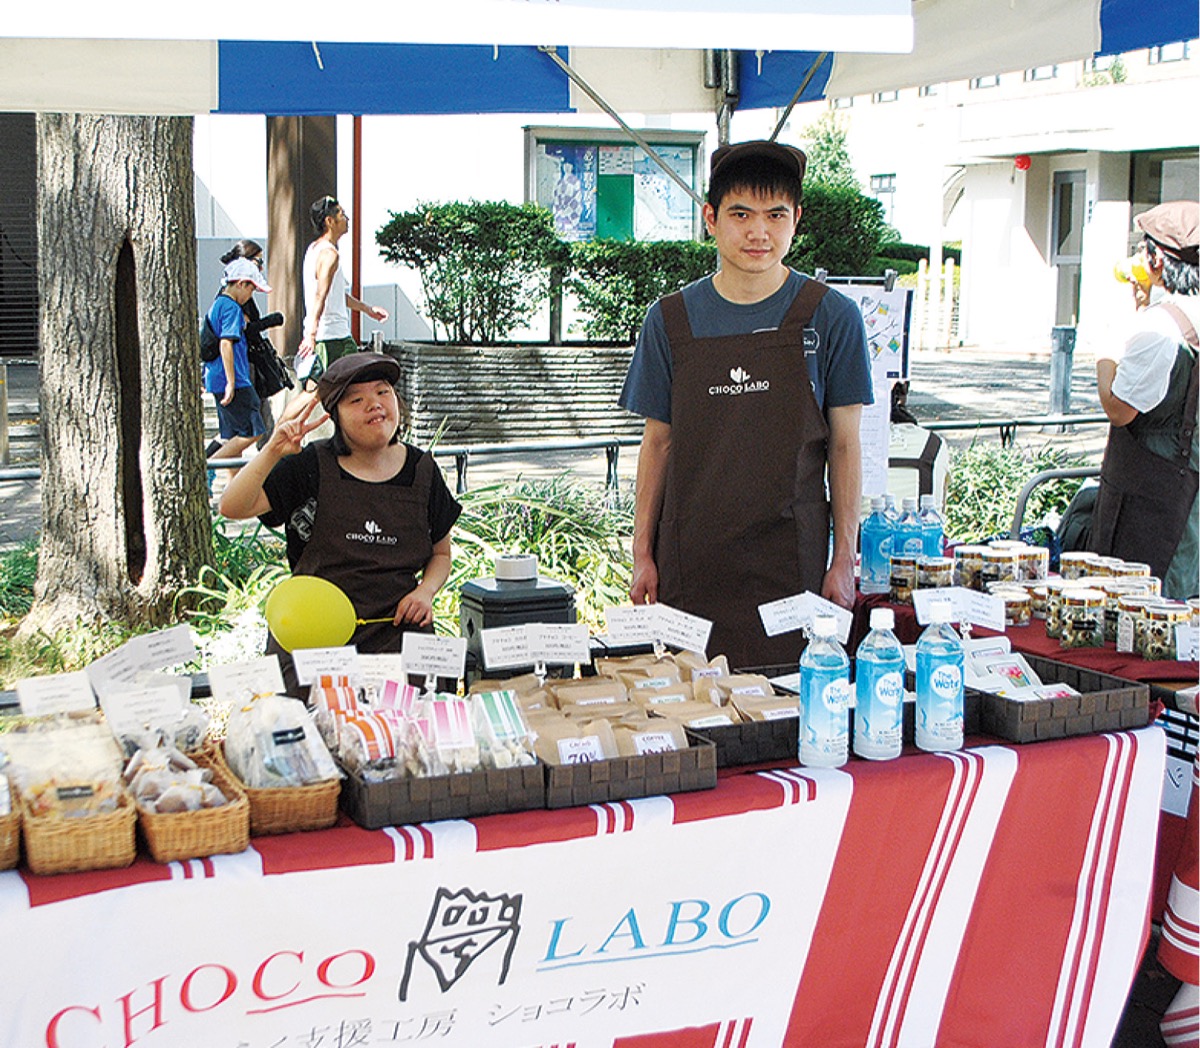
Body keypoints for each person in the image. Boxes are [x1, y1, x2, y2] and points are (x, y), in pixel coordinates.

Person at [618, 140, 872, 668]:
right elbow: (657, 443)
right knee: (690, 698)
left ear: (797, 220)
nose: (759, 232)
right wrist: (642, 552)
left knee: (790, 696)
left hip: (792, 563)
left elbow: (846, 447)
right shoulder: (669, 320)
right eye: (741, 215)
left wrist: (844, 558)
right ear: (710, 219)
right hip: (691, 561)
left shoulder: (832, 317)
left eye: (776, 215)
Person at [219, 352, 461, 690]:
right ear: (335, 416)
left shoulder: (423, 471)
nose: (374, 404)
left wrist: (425, 591)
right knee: (309, 722)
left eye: (383, 392)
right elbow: (232, 506)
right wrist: (273, 449)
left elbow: (441, 554)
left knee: (411, 721)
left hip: (397, 640)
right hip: (315, 642)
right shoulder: (308, 466)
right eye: (356, 400)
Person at [1089, 200, 1198, 600]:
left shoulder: (1160, 329)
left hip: (1151, 508)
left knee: (1142, 609)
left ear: (1156, 260)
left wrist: (1106, 352)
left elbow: (1119, 409)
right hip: (1189, 500)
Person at [297, 196, 389, 388]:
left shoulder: (314, 249)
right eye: (342, 214)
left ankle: (296, 411)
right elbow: (320, 294)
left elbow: (336, 295)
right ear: (329, 221)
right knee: (353, 388)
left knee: (327, 392)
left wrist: (367, 309)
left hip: (329, 336)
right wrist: (311, 333)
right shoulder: (330, 254)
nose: (347, 219)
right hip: (334, 337)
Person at [205, 257, 272, 481]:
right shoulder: (231, 307)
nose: (250, 296)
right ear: (242, 284)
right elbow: (226, 343)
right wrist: (232, 382)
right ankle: (205, 468)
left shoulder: (218, 304)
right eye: (251, 289)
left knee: (231, 435)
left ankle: (233, 490)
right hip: (234, 380)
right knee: (254, 432)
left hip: (217, 378)